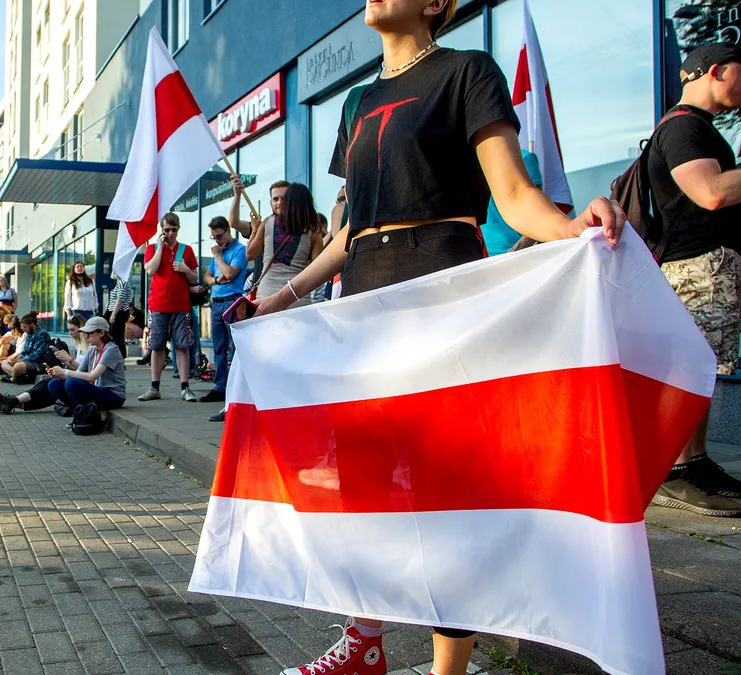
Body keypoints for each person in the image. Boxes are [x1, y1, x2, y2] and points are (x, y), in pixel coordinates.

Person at [253, 2, 625, 673]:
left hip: (441, 289)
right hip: (365, 298)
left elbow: (511, 195)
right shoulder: (357, 101)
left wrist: (573, 228)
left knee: (442, 491)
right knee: (363, 485)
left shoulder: (466, 72)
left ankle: (448, 668)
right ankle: (365, 645)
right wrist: (284, 294)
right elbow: (350, 228)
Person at [646, 42, 741, 517]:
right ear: (718, 71)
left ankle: (692, 463)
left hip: (702, 266)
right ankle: (681, 469)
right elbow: (710, 193)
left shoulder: (693, 127)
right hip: (699, 268)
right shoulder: (684, 128)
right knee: (695, 366)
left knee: (700, 366)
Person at [0, 317, 126, 415]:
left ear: (101, 333)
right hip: (97, 389)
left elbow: (92, 376)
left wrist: (65, 372)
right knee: (53, 383)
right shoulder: (93, 349)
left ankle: (13, 402)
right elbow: (79, 372)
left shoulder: (111, 349)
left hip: (113, 396)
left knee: (71, 383)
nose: (86, 335)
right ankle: (14, 402)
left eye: (90, 332)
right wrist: (60, 373)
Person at [139, 213, 198, 402]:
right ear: (161, 231)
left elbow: (195, 278)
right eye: (167, 230)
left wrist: (185, 269)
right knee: (156, 347)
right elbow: (151, 270)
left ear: (178, 229)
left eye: (174, 230)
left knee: (182, 346)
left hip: (181, 306)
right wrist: (160, 247)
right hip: (158, 305)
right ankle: (154, 387)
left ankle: (185, 387)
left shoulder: (186, 250)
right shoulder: (152, 248)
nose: (170, 233)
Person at [245, 182, 325, 305]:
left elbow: (250, 254)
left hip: (267, 293)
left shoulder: (267, 223)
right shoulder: (313, 231)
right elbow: (318, 270)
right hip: (297, 295)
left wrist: (254, 230)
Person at [201, 216, 247, 409]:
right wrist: (216, 281)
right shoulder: (218, 252)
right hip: (216, 301)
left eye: (219, 236)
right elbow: (207, 276)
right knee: (219, 346)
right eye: (213, 237)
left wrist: (218, 257)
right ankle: (220, 386)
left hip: (232, 300)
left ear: (228, 230)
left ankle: (236, 387)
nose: (217, 241)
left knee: (235, 347)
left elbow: (229, 274)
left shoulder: (239, 250)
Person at [482, 149, 543, 256]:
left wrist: (518, 249)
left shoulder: (525, 158)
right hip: (485, 257)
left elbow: (541, 213)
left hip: (522, 253)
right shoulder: (470, 166)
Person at [106, 272, 134, 355]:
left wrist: (113, 314)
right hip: (117, 312)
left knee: (117, 336)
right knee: (116, 335)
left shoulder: (123, 283)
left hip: (119, 312)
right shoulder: (120, 283)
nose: (113, 273)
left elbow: (120, 300)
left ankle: (119, 356)